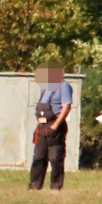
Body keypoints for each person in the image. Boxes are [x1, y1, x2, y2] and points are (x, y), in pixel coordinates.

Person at [28, 60, 73, 191]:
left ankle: (56, 186)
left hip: (55, 127)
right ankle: (35, 186)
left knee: (55, 158)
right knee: (38, 157)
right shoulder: (45, 87)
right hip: (42, 127)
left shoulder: (64, 86)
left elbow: (66, 107)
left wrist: (55, 126)